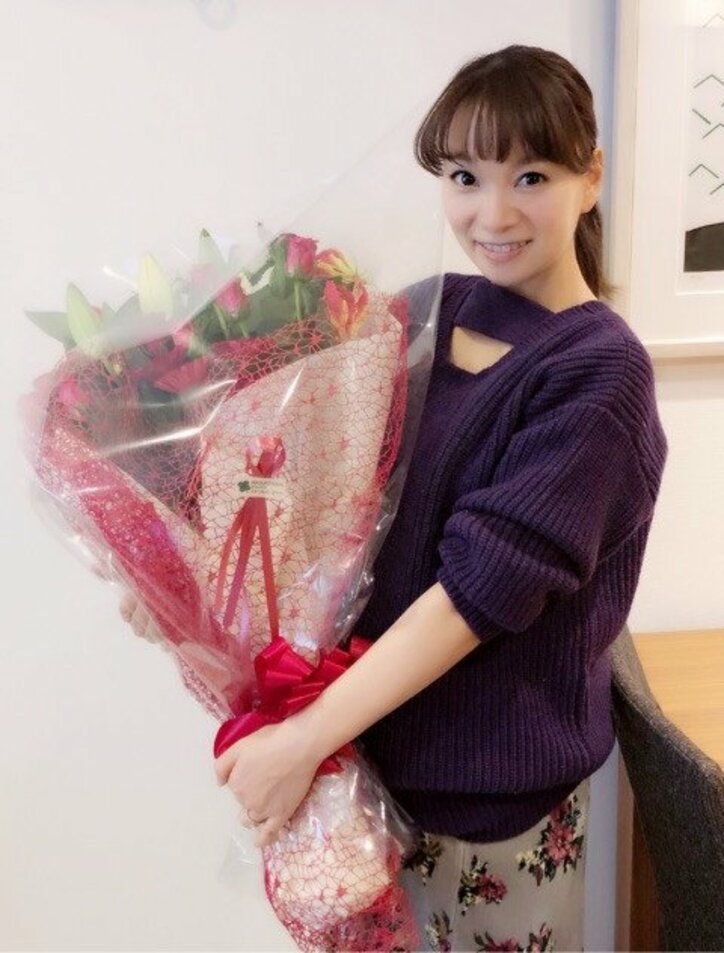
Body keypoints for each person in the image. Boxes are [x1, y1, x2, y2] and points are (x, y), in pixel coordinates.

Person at [132, 45, 668, 952]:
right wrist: (178, 579)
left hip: (489, 806)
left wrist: (302, 740)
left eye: (530, 176)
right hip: (367, 777)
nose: (492, 214)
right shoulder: (428, 310)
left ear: (592, 177)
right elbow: (320, 508)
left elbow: (472, 598)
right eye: (464, 177)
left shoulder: (598, 371)